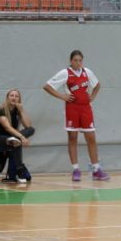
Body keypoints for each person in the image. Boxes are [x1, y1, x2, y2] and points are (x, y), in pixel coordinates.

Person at [43, 49, 107, 181]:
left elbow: (97, 85)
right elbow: (47, 86)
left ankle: (96, 169)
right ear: (71, 61)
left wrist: (92, 97)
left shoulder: (87, 72)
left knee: (91, 137)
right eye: (75, 60)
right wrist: (62, 96)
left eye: (80, 60)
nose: (78, 63)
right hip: (72, 108)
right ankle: (76, 169)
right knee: (73, 137)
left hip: (86, 108)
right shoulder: (65, 73)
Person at [0, 89, 35, 185]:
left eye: (16, 96)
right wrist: (22, 137)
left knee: (31, 130)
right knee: (16, 141)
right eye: (11, 95)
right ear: (7, 98)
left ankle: (15, 173)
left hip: (12, 137)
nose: (14, 98)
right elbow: (7, 128)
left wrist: (22, 110)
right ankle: (19, 170)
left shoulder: (17, 111)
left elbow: (28, 126)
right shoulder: (1, 110)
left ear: (19, 99)